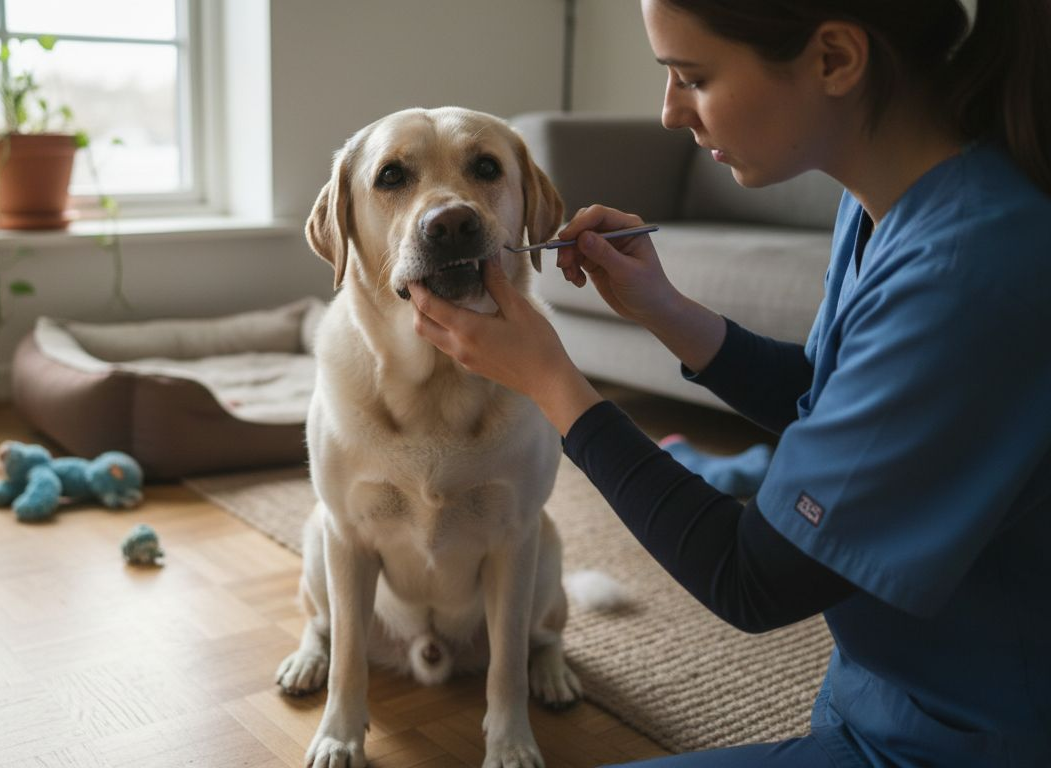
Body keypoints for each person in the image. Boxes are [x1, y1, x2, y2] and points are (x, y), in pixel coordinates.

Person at [407, 0, 1051, 765]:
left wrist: (554, 383)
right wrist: (669, 312)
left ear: (835, 58)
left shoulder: (971, 270)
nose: (671, 113)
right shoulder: (883, 199)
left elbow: (751, 578)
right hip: (874, 696)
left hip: (965, 740)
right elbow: (836, 400)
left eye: (691, 76)